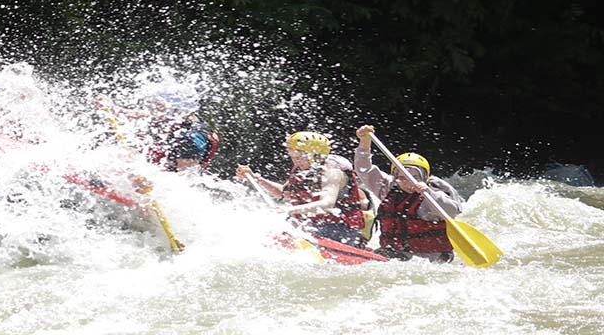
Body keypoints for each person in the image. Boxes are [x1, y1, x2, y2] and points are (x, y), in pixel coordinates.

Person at [354, 124, 464, 263]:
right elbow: (364, 170)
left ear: (424, 177)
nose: (408, 183)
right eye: (402, 178)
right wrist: (364, 143)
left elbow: (452, 211)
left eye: (415, 177)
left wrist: (428, 192)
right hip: (395, 253)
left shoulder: (433, 192)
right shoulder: (389, 187)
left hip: (431, 258)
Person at [235, 131, 366, 247]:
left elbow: (326, 204)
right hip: (309, 225)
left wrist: (289, 209)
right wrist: (257, 179)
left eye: (298, 157)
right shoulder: (302, 170)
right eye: (292, 157)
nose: (295, 162)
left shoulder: (333, 173)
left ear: (315, 154)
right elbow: (283, 193)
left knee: (285, 235)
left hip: (339, 229)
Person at [94, 85, 219, 173]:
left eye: (158, 106)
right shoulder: (176, 118)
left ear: (175, 110)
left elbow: (184, 180)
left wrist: (144, 179)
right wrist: (113, 108)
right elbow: (141, 114)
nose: (151, 108)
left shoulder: (191, 139)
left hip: (167, 192)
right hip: (155, 171)